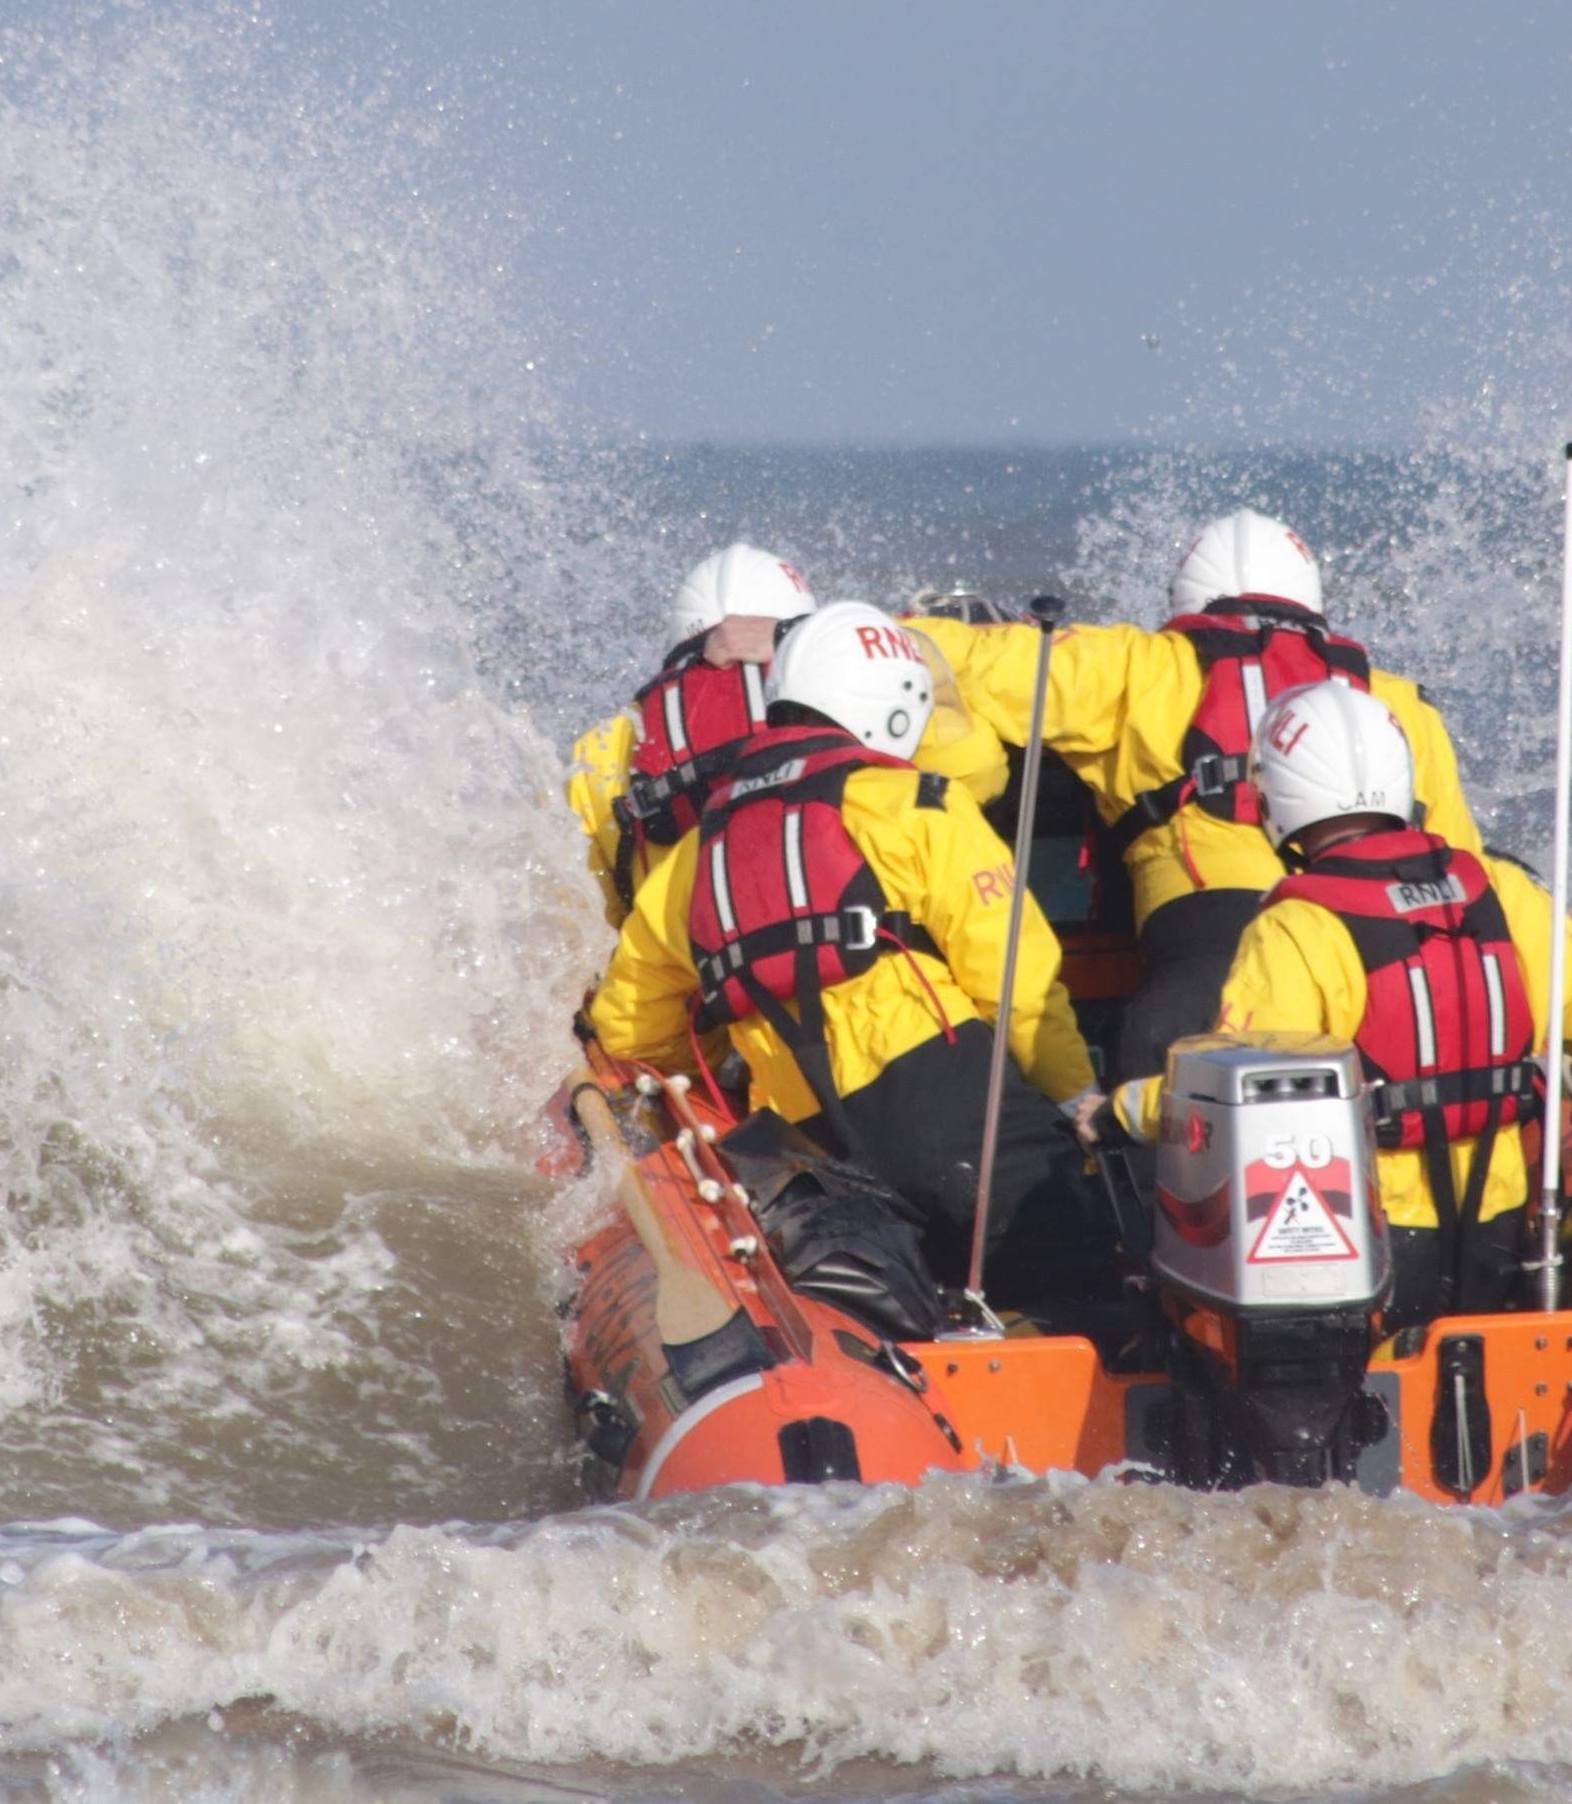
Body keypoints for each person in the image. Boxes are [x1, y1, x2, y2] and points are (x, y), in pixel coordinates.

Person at [587, 600, 1115, 1324]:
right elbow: (1017, 982)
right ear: (895, 707)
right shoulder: (917, 804)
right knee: (1096, 1275)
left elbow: (631, 1030)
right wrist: (1076, 1095)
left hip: (809, 1154)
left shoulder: (691, 857)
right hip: (951, 1112)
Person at [1106, 680, 1572, 1329]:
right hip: (1502, 1224)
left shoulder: (1296, 928)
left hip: (1365, 1234)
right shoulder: (1504, 892)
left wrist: (1123, 1109)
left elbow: (1243, 1095)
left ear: (1276, 796)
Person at [905, 510, 1488, 1083]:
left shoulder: (1140, 666)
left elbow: (924, 653)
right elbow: (1465, 872)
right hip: (1389, 964)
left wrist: (973, 766)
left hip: (1211, 961)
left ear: (1186, 602)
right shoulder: (1400, 703)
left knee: (1156, 1080)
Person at [568, 544, 1009, 923]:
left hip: (706, 971)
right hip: (863, 955)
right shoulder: (846, 682)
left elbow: (591, 911)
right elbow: (977, 773)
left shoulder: (604, 744)